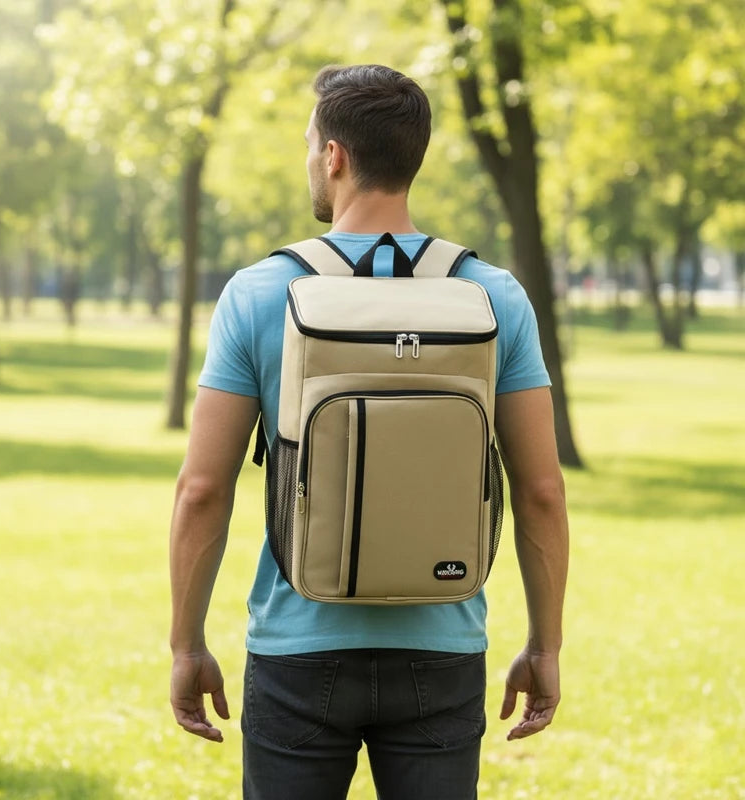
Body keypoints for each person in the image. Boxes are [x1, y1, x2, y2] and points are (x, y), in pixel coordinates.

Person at [169, 64, 569, 800]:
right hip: (441, 653)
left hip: (297, 651)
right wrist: (545, 644)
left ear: (334, 156)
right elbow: (541, 491)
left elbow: (201, 490)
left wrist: (185, 643)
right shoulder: (494, 296)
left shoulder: (260, 293)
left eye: (308, 143)